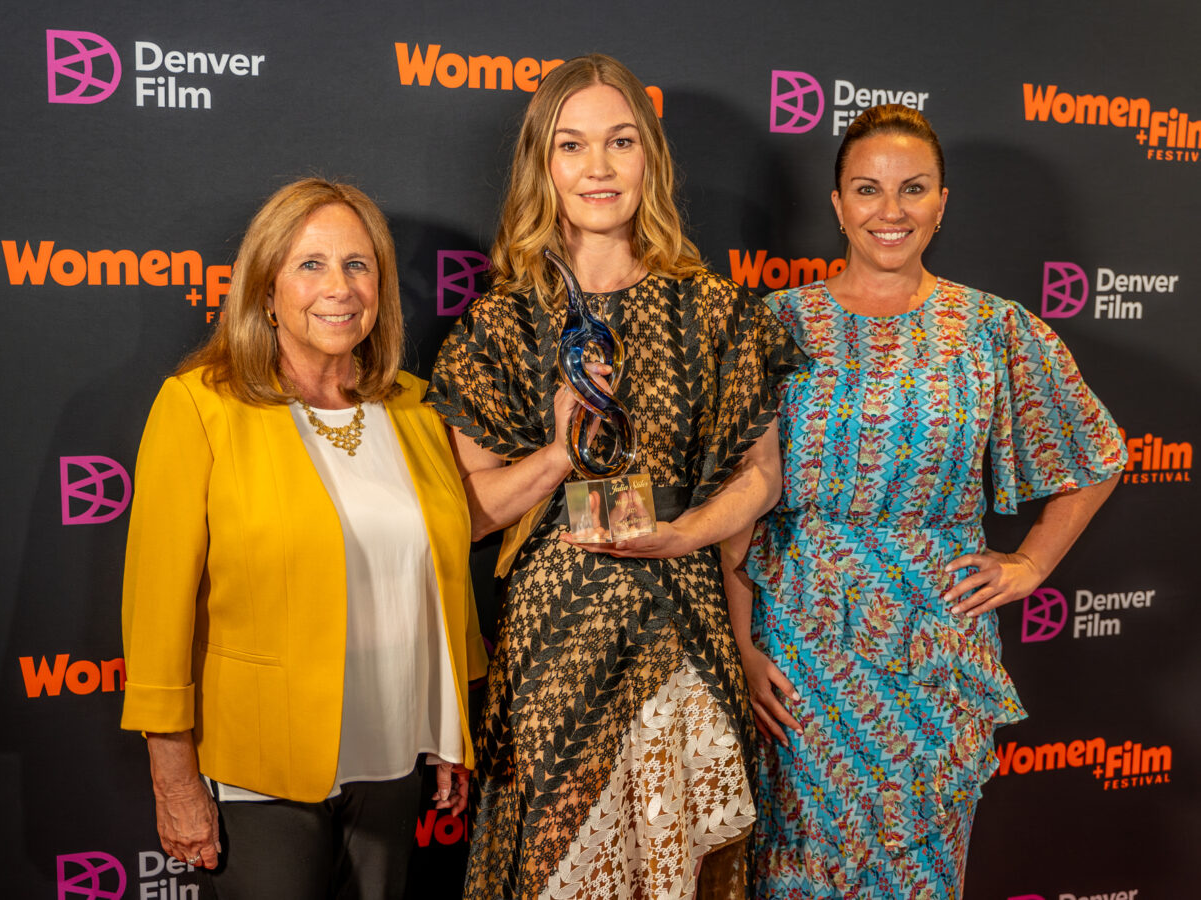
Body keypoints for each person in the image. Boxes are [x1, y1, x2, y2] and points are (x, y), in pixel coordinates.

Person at [426, 55, 802, 899]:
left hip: (684, 626)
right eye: (572, 146)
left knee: (680, 866)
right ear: (543, 167)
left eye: (619, 142)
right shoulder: (501, 321)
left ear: (650, 159)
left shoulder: (716, 309)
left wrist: (684, 534)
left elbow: (762, 475)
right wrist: (560, 452)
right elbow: (472, 513)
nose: (598, 168)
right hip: (555, 641)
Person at [727, 104, 1127, 899]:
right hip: (804, 644)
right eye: (867, 189)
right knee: (796, 871)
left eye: (913, 189)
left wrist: (1032, 563)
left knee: (920, 874)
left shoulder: (992, 329)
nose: (891, 210)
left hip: (934, 649)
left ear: (942, 203)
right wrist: (744, 645)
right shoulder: (775, 324)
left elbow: (1098, 455)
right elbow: (738, 503)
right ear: (837, 204)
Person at [120, 178, 487, 900]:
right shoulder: (199, 405)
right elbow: (156, 611)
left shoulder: (413, 407)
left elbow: (439, 571)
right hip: (262, 769)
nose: (339, 288)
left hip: (392, 760)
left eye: (358, 264)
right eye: (311, 264)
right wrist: (174, 779)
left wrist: (451, 728)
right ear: (266, 290)